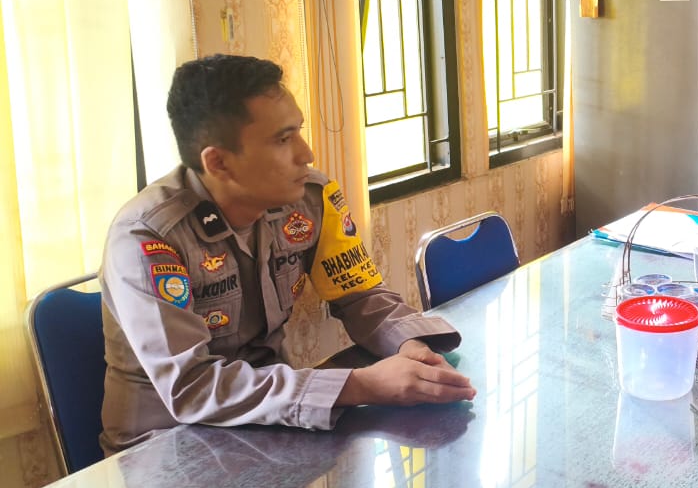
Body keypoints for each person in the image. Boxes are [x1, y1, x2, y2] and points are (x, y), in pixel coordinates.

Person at [99, 54, 476, 454]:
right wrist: (360, 384)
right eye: (283, 139)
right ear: (219, 162)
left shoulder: (310, 199)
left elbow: (361, 295)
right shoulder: (146, 236)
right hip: (166, 447)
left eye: (298, 131)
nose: (306, 153)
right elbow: (191, 387)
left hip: (270, 425)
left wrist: (407, 345)